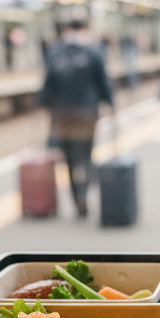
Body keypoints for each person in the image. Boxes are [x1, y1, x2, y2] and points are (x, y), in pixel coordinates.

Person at [38, 20, 115, 219]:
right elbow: (102, 82)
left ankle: (75, 199)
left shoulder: (55, 53)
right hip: (87, 114)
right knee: (86, 155)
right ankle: (84, 195)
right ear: (84, 31)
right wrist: (110, 103)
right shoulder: (93, 52)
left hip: (63, 116)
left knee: (70, 158)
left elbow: (47, 85)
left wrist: (43, 105)